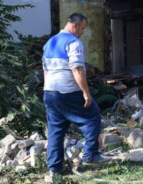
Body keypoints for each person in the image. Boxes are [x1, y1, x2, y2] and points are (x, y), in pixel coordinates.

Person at [42, 12, 109, 176]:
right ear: (74, 26)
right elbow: (77, 69)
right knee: (93, 116)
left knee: (55, 130)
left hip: (50, 92)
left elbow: (45, 70)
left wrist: (47, 89)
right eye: (82, 28)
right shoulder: (73, 42)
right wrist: (86, 93)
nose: (82, 32)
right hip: (69, 91)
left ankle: (55, 168)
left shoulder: (50, 42)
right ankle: (91, 154)